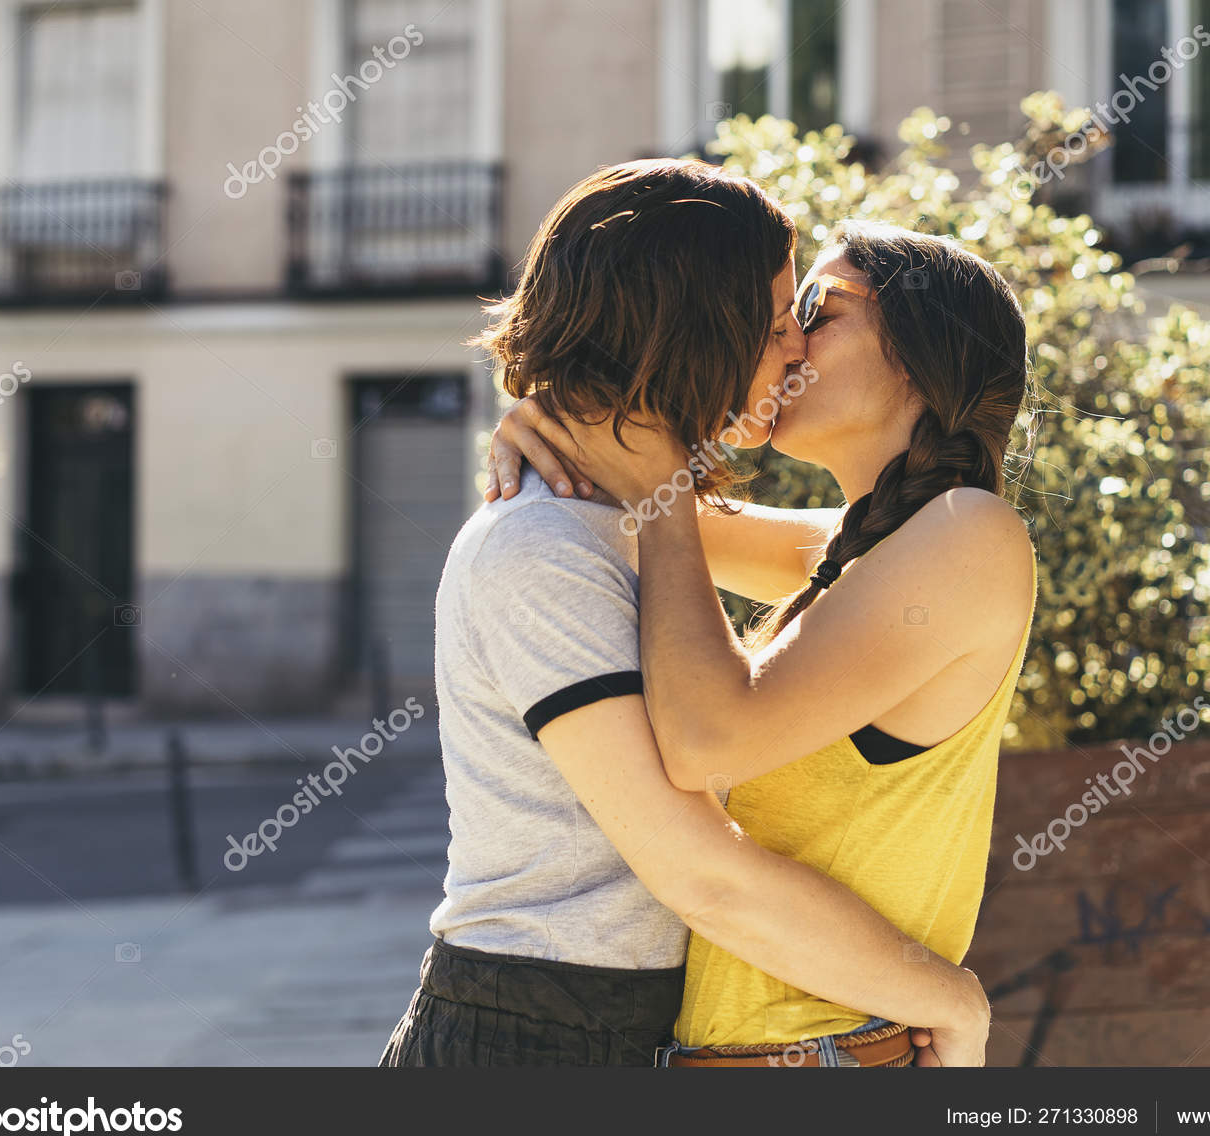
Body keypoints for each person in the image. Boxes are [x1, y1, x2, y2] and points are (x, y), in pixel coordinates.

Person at [379, 161, 991, 1068]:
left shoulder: (629, 523)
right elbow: (703, 873)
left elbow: (885, 552)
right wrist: (952, 1000)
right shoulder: (543, 548)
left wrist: (631, 465)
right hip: (531, 1038)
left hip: (621, 1031)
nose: (795, 347)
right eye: (779, 316)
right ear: (695, 322)